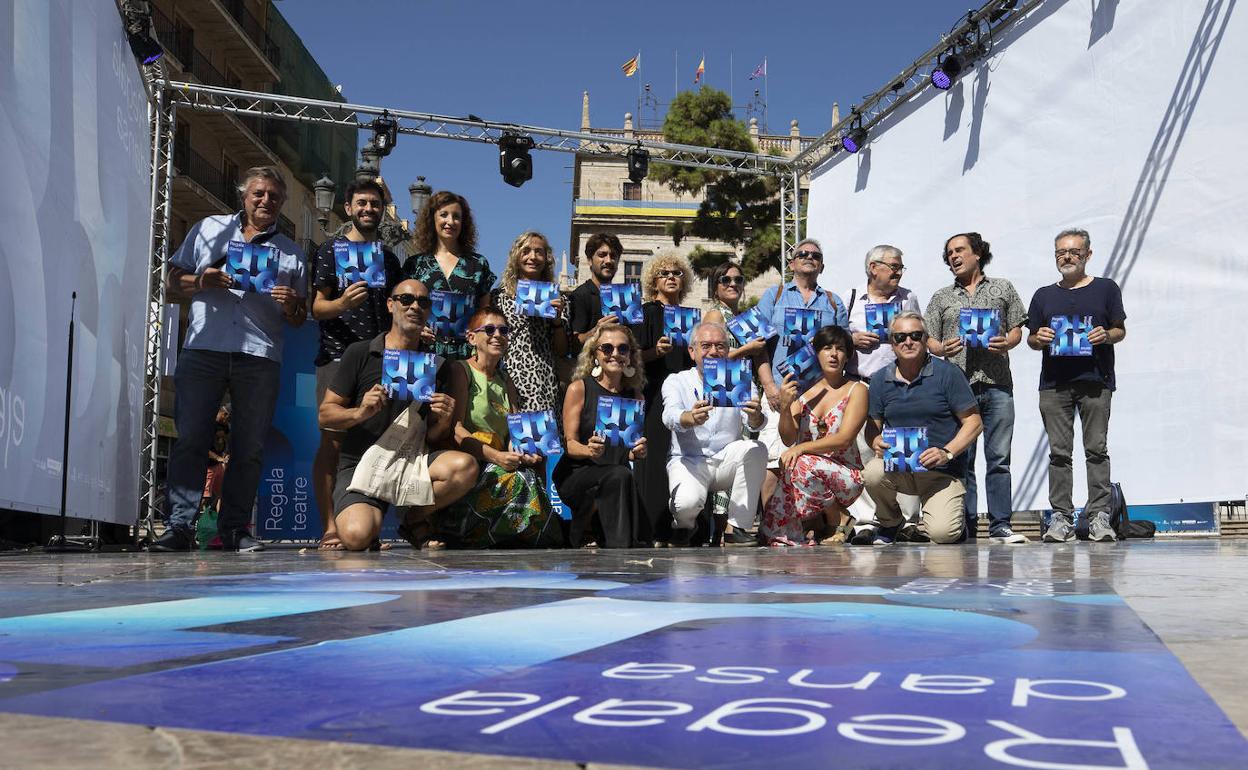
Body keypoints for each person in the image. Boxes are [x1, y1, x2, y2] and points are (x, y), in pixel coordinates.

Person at [154, 166, 307, 553]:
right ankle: (178, 528)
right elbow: (172, 279)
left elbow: (300, 316)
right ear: (244, 195)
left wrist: (291, 305)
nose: (265, 201)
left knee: (249, 446)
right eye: (258, 193)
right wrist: (200, 281)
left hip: (259, 354)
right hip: (204, 347)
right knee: (190, 440)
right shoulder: (209, 229)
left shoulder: (291, 252)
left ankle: (235, 528)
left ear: (281, 203)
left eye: (273, 196)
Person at [318, 279, 478, 551]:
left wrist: (443, 419)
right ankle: (369, 521)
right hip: (361, 467)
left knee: (465, 467)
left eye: (423, 302)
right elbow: (325, 415)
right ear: (391, 305)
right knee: (357, 537)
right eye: (406, 299)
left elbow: (434, 436)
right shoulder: (360, 353)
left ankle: (412, 518)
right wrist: (360, 412)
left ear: (429, 312)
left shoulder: (437, 367)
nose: (415, 306)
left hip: (410, 463)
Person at [309, 179, 403, 550]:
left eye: (375, 204)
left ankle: (366, 521)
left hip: (378, 362)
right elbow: (316, 307)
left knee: (372, 443)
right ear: (347, 208)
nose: (369, 209)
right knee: (332, 443)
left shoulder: (389, 258)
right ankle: (330, 526)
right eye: (361, 203)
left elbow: (396, 308)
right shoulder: (330, 250)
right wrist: (342, 305)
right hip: (337, 355)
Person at [923, 233, 1028, 544]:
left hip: (996, 383)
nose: (954, 257)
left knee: (999, 458)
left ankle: (1000, 525)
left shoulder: (1003, 288)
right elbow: (928, 336)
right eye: (949, 253)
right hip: (957, 390)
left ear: (978, 253)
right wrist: (940, 348)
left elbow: (1017, 328)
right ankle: (963, 525)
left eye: (960, 250)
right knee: (961, 459)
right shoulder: (942, 297)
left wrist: (1008, 341)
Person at [1026, 228, 1127, 543]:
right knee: (1059, 453)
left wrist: (1105, 335)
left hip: (1096, 382)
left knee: (1096, 450)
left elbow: (1120, 330)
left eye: (1073, 251)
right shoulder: (1044, 295)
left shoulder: (1106, 289)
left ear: (1088, 255)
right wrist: (1037, 338)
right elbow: (1030, 338)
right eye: (1060, 252)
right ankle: (1061, 518)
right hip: (1054, 385)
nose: (1067, 257)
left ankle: (1099, 516)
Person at [439, 307, 566, 548]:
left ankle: (506, 536)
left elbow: (514, 433)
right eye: (489, 329)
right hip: (471, 462)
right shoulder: (461, 371)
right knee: (520, 481)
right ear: (471, 338)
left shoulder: (505, 380)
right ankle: (469, 531)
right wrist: (497, 457)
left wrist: (521, 452)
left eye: (503, 330)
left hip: (499, 460)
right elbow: (456, 430)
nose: (497, 335)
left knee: (531, 472)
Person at [859, 312, 983, 545]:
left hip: (942, 472)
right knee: (872, 473)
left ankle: (945, 524)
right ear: (892, 343)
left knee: (942, 535)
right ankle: (890, 522)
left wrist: (946, 452)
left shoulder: (948, 373)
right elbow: (872, 428)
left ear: (926, 339)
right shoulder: (878, 379)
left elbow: (974, 422)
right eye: (900, 337)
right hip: (901, 469)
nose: (908, 341)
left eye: (916, 335)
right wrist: (874, 441)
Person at [754, 239, 849, 515]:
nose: (809, 257)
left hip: (819, 394)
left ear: (822, 265)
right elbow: (758, 345)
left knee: (816, 458)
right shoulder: (775, 295)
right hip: (780, 390)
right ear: (792, 262)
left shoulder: (833, 301)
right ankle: (770, 526)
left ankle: (810, 524)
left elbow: (842, 348)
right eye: (802, 254)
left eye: (815, 255)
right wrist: (769, 386)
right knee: (774, 459)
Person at [662, 322, 767, 545]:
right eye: (706, 345)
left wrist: (756, 415)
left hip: (725, 459)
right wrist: (689, 418)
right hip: (689, 459)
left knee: (756, 448)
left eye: (720, 346)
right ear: (692, 352)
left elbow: (756, 424)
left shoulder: (740, 378)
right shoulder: (677, 380)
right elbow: (669, 416)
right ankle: (685, 526)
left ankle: (736, 527)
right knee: (686, 504)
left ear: (727, 351)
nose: (713, 351)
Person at [842, 245, 922, 535]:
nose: (899, 272)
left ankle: (910, 520)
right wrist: (852, 340)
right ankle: (867, 520)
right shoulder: (851, 300)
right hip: (862, 383)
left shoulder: (908, 298)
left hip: (899, 383)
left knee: (903, 448)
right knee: (863, 451)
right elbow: (836, 342)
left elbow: (919, 334)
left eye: (901, 267)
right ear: (874, 268)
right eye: (894, 266)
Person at [761, 325, 866, 546]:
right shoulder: (804, 390)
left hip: (845, 474)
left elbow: (844, 438)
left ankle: (837, 515)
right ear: (816, 354)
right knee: (774, 532)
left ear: (847, 355)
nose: (834, 354)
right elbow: (788, 438)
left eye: (840, 349)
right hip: (805, 472)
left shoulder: (857, 389)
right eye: (827, 348)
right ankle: (815, 522)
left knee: (800, 461)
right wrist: (786, 408)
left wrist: (801, 448)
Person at [554, 323, 649, 547]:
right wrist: (588, 450)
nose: (615, 354)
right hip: (577, 473)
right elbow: (568, 444)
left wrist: (638, 451)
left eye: (622, 349)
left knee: (621, 475)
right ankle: (617, 550)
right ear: (595, 354)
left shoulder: (636, 396)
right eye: (607, 348)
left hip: (615, 475)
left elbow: (628, 450)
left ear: (630, 356)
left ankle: (590, 534)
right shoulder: (579, 388)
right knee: (619, 475)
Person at [703, 261, 772, 545]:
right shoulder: (714, 314)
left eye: (738, 280)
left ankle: (735, 525)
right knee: (730, 449)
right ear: (716, 286)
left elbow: (760, 356)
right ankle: (722, 528)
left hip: (745, 389)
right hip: (723, 390)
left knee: (748, 452)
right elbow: (708, 360)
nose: (733, 284)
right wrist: (747, 348)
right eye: (726, 280)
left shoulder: (744, 316)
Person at [634, 252, 697, 544]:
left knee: (685, 456)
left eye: (677, 273)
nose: (671, 277)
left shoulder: (691, 317)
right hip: (654, 392)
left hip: (685, 395)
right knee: (657, 458)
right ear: (654, 280)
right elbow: (630, 358)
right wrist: (652, 353)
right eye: (665, 273)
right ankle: (653, 529)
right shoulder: (646, 312)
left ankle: (685, 528)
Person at [402, 190, 496, 360]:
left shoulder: (478, 264)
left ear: (463, 222)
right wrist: (417, 328)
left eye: (456, 216)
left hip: (467, 357)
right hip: (423, 354)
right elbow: (401, 310)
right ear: (433, 219)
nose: (450, 222)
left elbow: (484, 313)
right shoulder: (415, 264)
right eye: (444, 215)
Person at [489, 231, 568, 414]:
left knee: (543, 440)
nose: (533, 257)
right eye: (526, 251)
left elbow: (562, 351)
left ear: (546, 259)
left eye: (539, 252)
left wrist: (557, 322)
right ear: (516, 256)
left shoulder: (558, 299)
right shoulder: (498, 297)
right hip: (506, 378)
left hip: (544, 383)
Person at [567, 233, 624, 353]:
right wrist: (595, 332)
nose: (608, 261)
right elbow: (572, 345)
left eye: (613, 256)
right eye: (602, 255)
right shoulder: (579, 296)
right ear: (589, 260)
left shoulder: (624, 298)